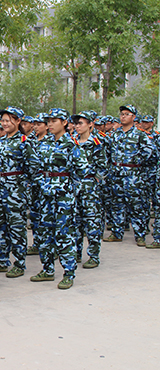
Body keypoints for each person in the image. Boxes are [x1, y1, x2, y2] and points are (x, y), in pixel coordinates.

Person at [30, 108, 87, 290]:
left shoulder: (71, 144)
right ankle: (47, 270)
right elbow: (35, 167)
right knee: (44, 234)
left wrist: (69, 188)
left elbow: (82, 170)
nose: (50, 124)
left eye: (54, 121)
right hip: (45, 196)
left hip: (63, 197)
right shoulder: (44, 143)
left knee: (64, 234)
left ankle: (68, 273)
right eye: (49, 121)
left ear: (64, 122)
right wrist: (42, 183)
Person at [0, 106, 40, 278]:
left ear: (18, 121)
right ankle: (2, 260)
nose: (4, 124)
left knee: (16, 227)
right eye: (2, 121)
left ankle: (19, 263)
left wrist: (22, 185)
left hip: (15, 192)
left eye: (8, 120)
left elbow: (33, 167)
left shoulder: (24, 141)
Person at [105, 105, 154, 245]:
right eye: (122, 114)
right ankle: (116, 233)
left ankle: (140, 235)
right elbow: (108, 152)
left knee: (136, 206)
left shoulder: (140, 135)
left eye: (127, 114)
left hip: (133, 176)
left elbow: (150, 151)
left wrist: (137, 162)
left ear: (134, 117)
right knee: (116, 205)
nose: (123, 116)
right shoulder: (115, 135)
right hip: (116, 175)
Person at [72, 111, 107, 268]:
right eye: (76, 123)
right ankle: (76, 253)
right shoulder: (72, 142)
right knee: (75, 222)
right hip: (74, 187)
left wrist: (95, 181)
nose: (77, 126)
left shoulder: (96, 143)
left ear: (90, 124)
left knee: (92, 222)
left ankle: (93, 255)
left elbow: (103, 166)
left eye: (81, 123)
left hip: (90, 189)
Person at [27, 113, 50, 256]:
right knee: (35, 215)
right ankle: (37, 243)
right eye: (34, 124)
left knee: (47, 216)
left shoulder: (51, 141)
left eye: (39, 124)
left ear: (46, 126)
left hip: (47, 184)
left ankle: (50, 245)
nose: (36, 127)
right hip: (33, 184)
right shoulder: (30, 140)